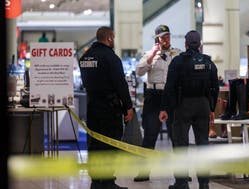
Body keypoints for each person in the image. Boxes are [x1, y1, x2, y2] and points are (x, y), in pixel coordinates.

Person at [159, 30, 219, 189]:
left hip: (183, 105)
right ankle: (204, 184)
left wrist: (166, 108)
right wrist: (211, 108)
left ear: (185, 44)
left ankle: (181, 183)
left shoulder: (178, 61)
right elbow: (215, 87)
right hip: (203, 106)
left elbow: (169, 87)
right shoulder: (208, 62)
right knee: (203, 145)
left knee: (180, 144)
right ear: (200, 44)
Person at [78, 26, 133, 189]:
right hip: (110, 108)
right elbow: (120, 85)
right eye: (113, 37)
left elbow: (85, 82)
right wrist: (127, 107)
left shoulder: (85, 57)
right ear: (109, 38)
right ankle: (108, 182)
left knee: (94, 145)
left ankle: (95, 182)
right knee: (110, 144)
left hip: (92, 107)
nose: (114, 40)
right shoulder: (111, 58)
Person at [133, 25, 182, 182]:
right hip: (154, 96)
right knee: (150, 135)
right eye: (162, 37)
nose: (165, 39)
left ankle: (181, 175)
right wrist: (153, 54)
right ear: (157, 38)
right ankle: (144, 172)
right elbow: (139, 71)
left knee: (177, 136)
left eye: (167, 36)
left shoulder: (178, 53)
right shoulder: (149, 54)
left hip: (172, 96)